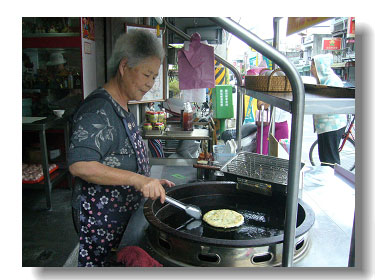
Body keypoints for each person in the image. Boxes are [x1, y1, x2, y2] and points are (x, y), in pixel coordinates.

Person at [68, 29, 175, 267]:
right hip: (101, 227)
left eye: (154, 77)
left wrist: (150, 183)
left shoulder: (122, 106)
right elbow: (80, 164)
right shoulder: (98, 109)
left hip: (121, 226)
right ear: (124, 66)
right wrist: (138, 180)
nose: (150, 83)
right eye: (147, 74)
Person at [310, 53, 347, 167]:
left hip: (332, 125)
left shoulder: (332, 81)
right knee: (325, 158)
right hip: (324, 126)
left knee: (330, 159)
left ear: (320, 66)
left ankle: (332, 179)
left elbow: (330, 104)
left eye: (313, 66)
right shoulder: (323, 80)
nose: (311, 69)